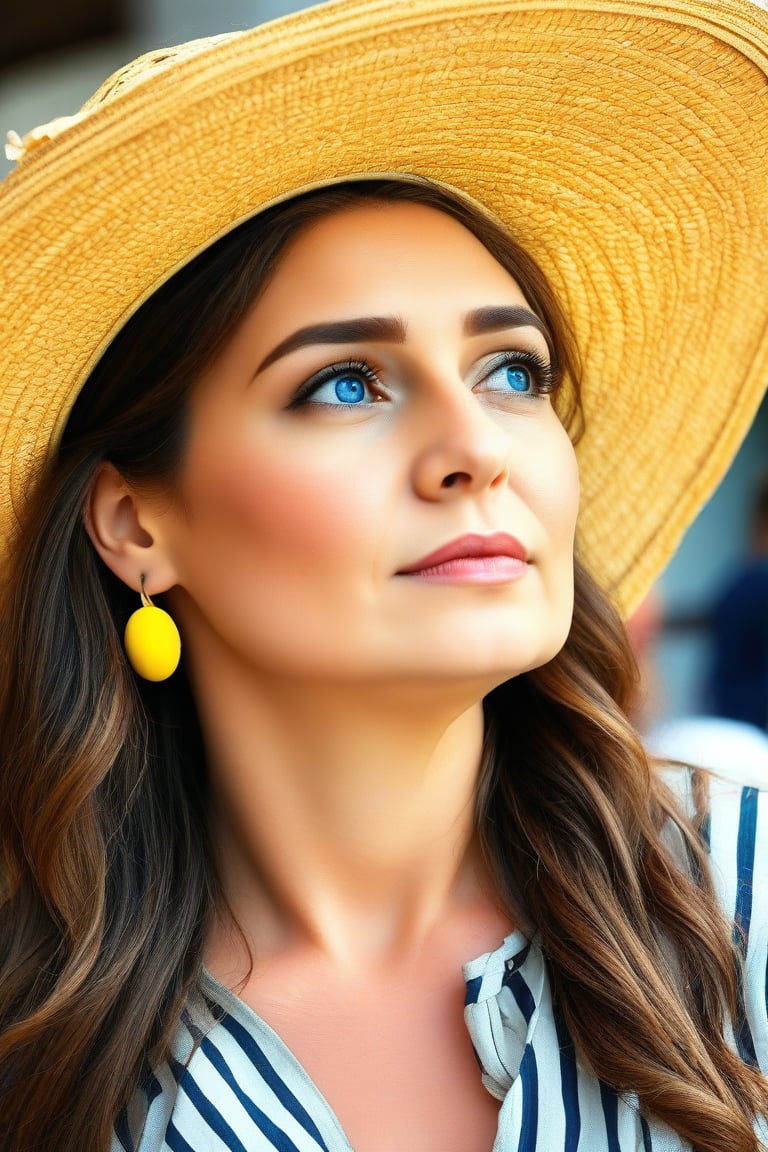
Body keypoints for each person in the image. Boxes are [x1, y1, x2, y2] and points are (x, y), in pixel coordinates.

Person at [0, 2, 767, 1151]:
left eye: (513, 371)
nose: (477, 449)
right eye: (347, 383)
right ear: (134, 523)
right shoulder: (33, 1049)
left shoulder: (742, 902)